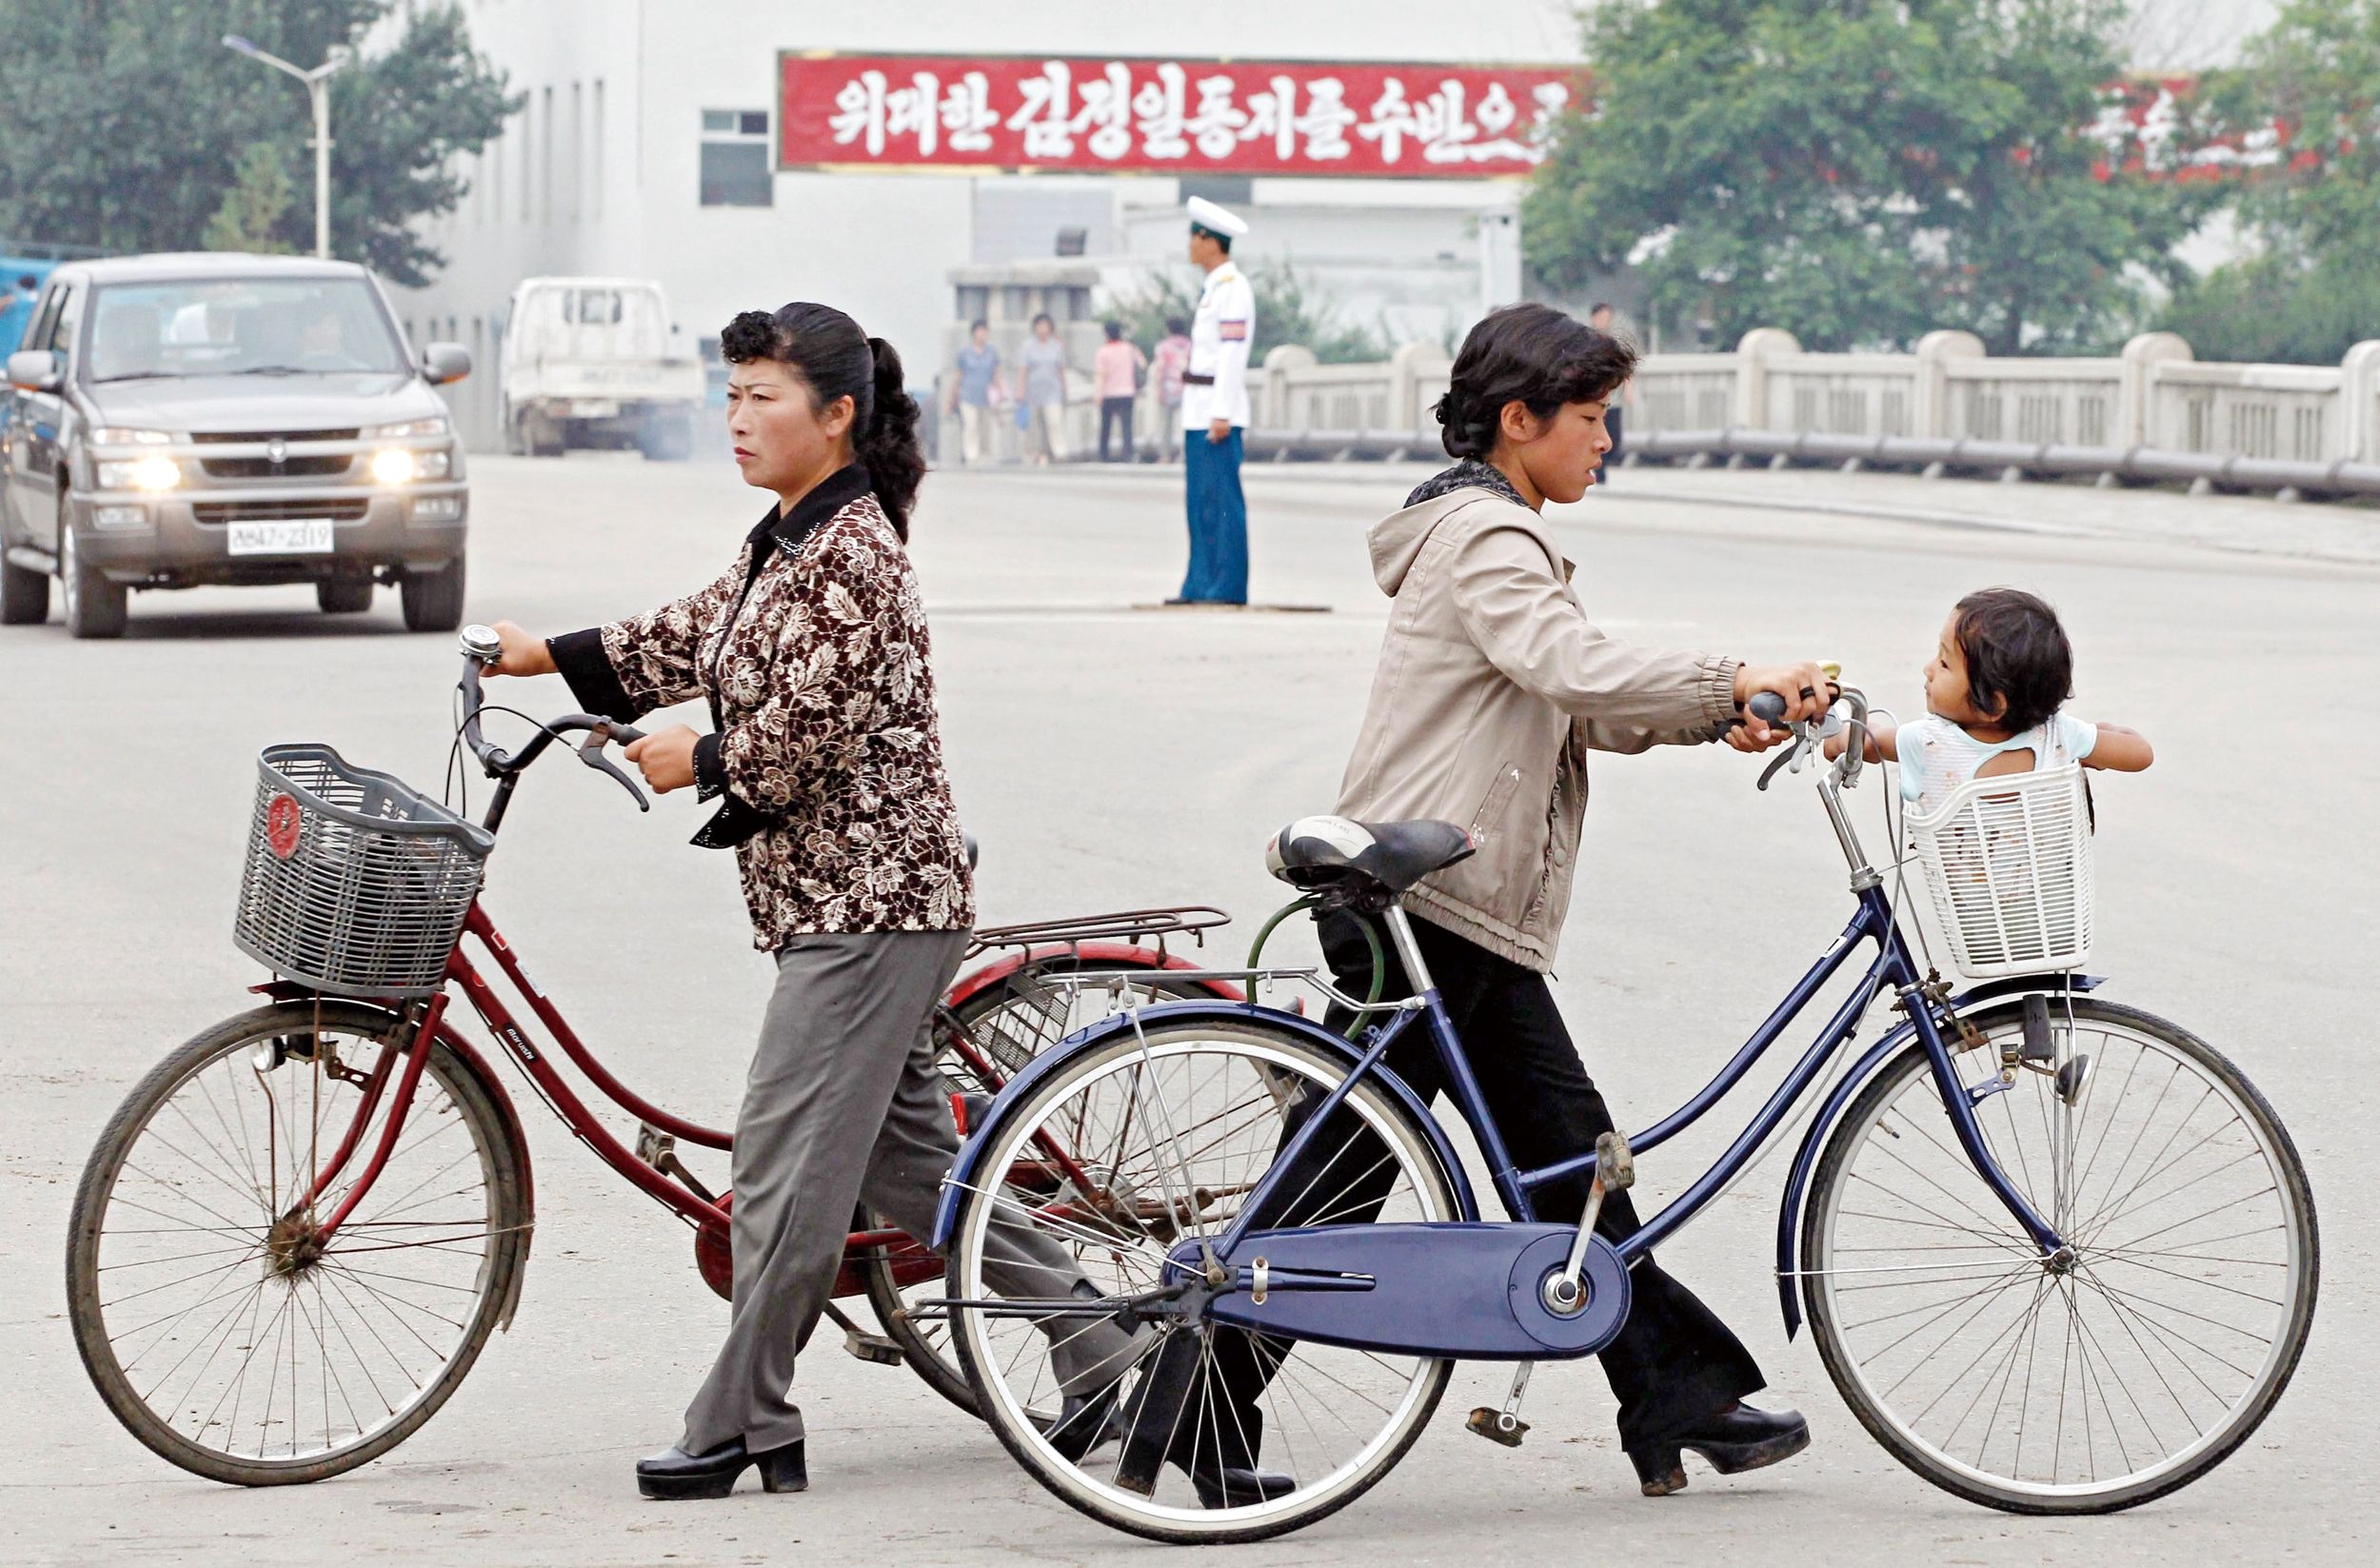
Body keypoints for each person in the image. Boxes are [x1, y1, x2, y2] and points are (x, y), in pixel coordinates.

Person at [1138, 303, 1833, 1501]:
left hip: (1418, 903)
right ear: (1521, 421)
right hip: (1438, 911)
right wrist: (1730, 673)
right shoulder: (1486, 539)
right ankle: (1679, 1389)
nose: (1606, 439)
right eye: (1592, 416)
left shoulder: (1485, 534)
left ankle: (1672, 1392)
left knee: (1467, 1169)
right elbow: (1571, 666)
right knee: (1548, 1160)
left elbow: (1580, 700)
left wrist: (1722, 712)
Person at [478, 302, 1137, 1501]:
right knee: (913, 1175)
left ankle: (742, 1418)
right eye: (731, 396)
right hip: (836, 902)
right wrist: (551, 657)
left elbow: (793, 746)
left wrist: (701, 758)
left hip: (873, 909)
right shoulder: (785, 536)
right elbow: (695, 635)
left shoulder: (858, 556)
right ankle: (1104, 1346)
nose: (737, 419)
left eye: (762, 398)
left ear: (834, 417)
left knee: (781, 1173)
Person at [1827, 587, 2152, 813]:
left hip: (1968, 908)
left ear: (1993, 705)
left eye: (1944, 663)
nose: (1927, 670)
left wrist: (1834, 731)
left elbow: (1865, 741)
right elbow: (2140, 754)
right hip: (2052, 904)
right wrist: (2096, 735)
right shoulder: (2058, 736)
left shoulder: (1928, 742)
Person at [1170, 196, 1254, 605]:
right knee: (1199, 503)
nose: (1189, 246)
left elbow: (1232, 355)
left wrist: (1221, 413)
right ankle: (1199, 583)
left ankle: (1227, 586)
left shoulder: (1233, 289)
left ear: (1210, 242)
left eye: (1194, 238)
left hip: (1218, 413)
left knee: (1222, 503)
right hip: (1198, 409)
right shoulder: (1212, 291)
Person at [1587, 302, 1636, 486]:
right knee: (1598, 434)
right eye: (1602, 317)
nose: (1605, 321)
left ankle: (1603, 465)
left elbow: (1625, 367)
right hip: (1595, 397)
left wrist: (1629, 388)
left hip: (1614, 397)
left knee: (1615, 437)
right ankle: (1601, 471)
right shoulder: (1587, 340)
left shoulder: (1615, 341)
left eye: (1607, 317)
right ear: (1594, 318)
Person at [1015, 311, 1069, 465]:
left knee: (1054, 421)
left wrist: (1065, 388)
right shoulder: (1028, 346)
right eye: (1039, 325)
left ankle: (1059, 451)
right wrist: (1020, 389)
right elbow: (1023, 369)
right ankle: (1037, 452)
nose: (1042, 329)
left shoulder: (1056, 346)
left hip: (1053, 390)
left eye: (1045, 325)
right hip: (1033, 392)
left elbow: (1061, 369)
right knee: (1035, 426)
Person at [946, 319, 1000, 465]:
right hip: (968, 395)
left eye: (985, 331)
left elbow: (996, 373)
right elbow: (958, 376)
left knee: (985, 427)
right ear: (973, 333)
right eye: (980, 331)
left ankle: (984, 455)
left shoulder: (992, 352)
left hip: (986, 396)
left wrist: (999, 393)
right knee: (971, 426)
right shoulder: (965, 353)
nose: (982, 334)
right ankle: (971, 454)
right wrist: (952, 397)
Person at [1093, 320, 1145, 462]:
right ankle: (1128, 454)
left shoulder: (1103, 351)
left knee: (1106, 426)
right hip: (1127, 392)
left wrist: (1098, 394)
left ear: (1106, 334)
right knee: (1127, 426)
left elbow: (1101, 375)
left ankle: (1103, 455)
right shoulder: (1129, 348)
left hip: (1108, 393)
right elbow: (1143, 363)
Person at [1150, 314, 1192, 461]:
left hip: (1168, 388)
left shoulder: (1163, 347)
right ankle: (1185, 454)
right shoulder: (1189, 345)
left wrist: (1158, 389)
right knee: (1187, 425)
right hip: (1187, 388)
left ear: (1168, 329)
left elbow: (1160, 369)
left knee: (1166, 426)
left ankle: (1165, 455)